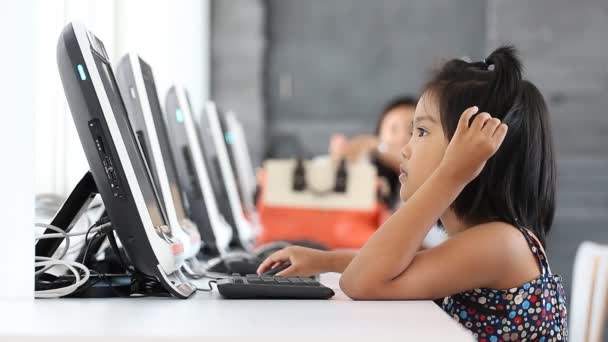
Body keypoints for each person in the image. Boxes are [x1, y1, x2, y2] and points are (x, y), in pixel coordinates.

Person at [258, 46, 568, 341]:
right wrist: (322, 260)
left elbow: (361, 282)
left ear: (474, 153)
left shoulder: (501, 244)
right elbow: (401, 264)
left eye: (420, 132)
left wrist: (452, 173)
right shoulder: (487, 241)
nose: (404, 149)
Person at [329, 96, 416, 207]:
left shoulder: (430, 176)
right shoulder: (369, 174)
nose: (402, 137)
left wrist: (377, 145)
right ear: (379, 133)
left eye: (412, 131)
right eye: (394, 129)